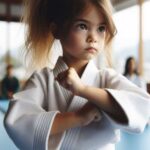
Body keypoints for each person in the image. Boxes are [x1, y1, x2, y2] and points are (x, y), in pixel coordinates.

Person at [4, 0, 150, 150]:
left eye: (101, 28)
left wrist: (84, 90)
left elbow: (142, 107)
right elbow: (18, 122)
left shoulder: (107, 78)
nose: (93, 37)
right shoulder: (43, 80)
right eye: (83, 26)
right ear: (57, 30)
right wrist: (77, 118)